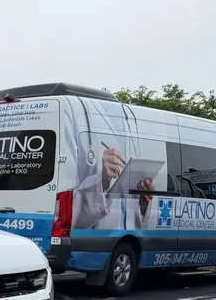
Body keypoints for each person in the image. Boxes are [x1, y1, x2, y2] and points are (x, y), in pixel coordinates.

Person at [68, 98, 164, 231]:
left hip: (129, 240)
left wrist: (143, 204)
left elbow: (147, 225)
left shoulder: (133, 122)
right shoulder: (79, 115)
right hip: (99, 237)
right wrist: (103, 180)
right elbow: (70, 206)